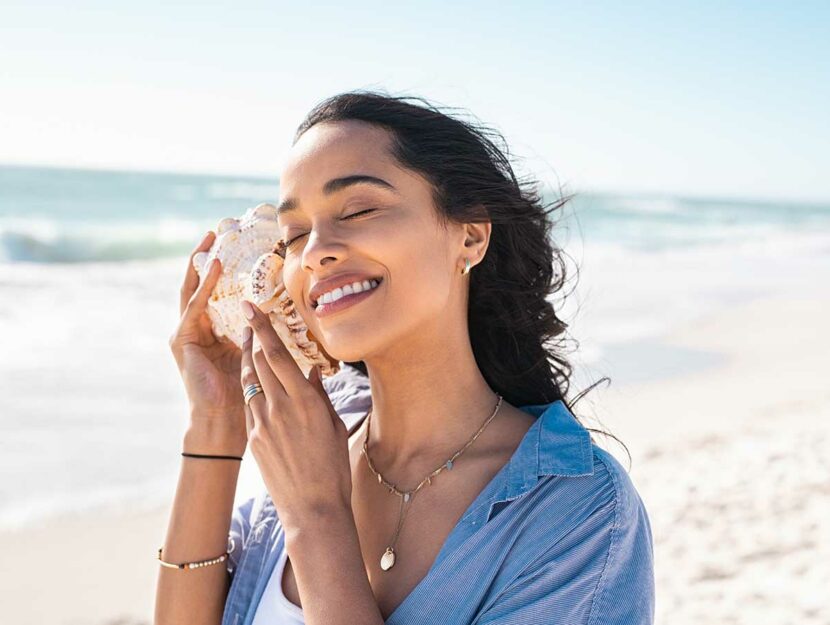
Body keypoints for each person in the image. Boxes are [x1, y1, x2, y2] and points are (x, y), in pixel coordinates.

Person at [155, 91, 655, 625]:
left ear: (469, 236)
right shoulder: (319, 434)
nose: (317, 248)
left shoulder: (576, 513)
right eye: (294, 234)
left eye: (359, 209)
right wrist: (216, 423)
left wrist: (317, 517)